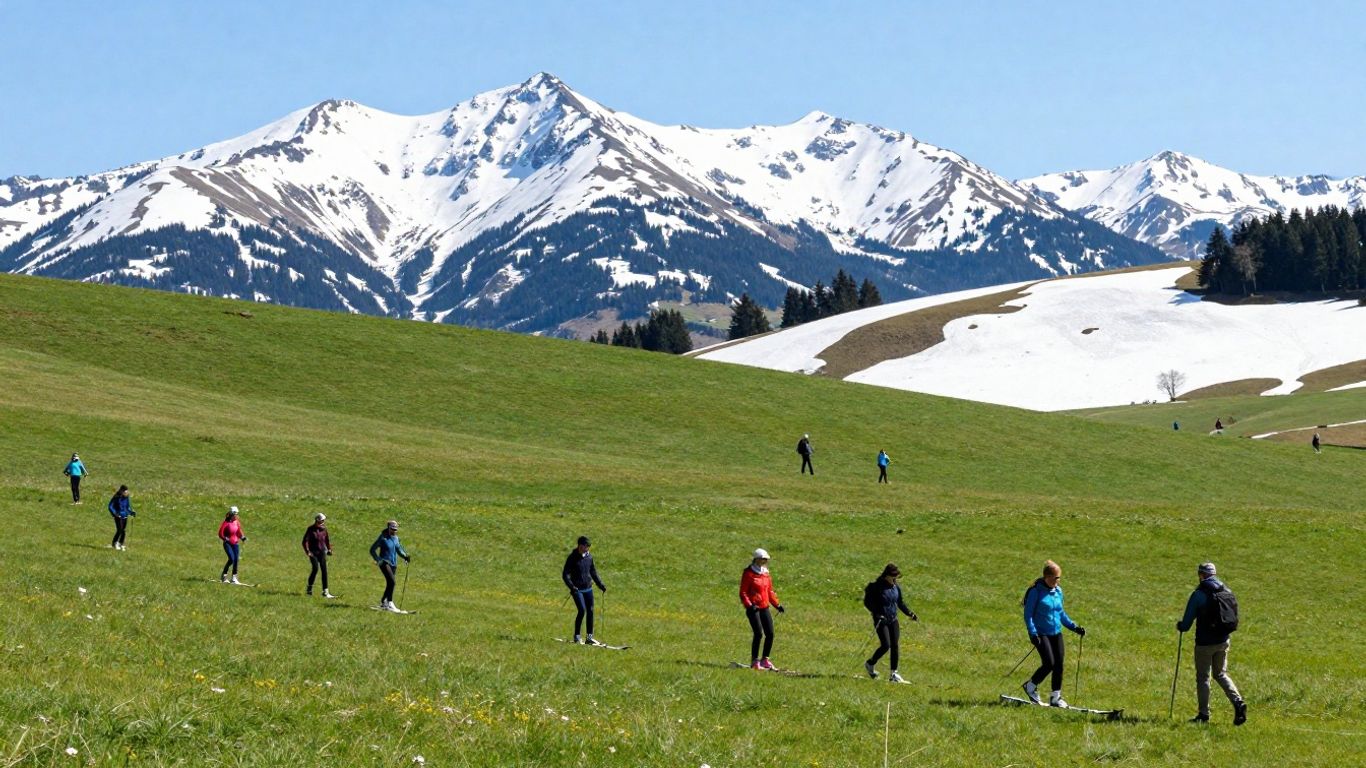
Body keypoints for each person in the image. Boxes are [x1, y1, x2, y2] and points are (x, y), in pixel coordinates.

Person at [1176, 562, 1247, 725]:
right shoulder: (1226, 591)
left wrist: (1180, 626)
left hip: (1204, 644)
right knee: (1221, 674)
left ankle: (1203, 714)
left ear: (1201, 575)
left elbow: (1186, 624)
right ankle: (1238, 702)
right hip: (1223, 640)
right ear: (1214, 574)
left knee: (1203, 677)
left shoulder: (1198, 594)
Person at [1021, 560, 1085, 708]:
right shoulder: (1035, 591)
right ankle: (1030, 687)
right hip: (1041, 633)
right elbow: (1028, 614)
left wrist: (1074, 627)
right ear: (1047, 577)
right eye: (1055, 578)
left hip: (1056, 633)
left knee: (1059, 665)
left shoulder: (1058, 591)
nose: (1058, 581)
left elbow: (1061, 613)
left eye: (1059, 578)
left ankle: (1055, 697)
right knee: (1049, 663)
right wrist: (1033, 633)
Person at [862, 563, 917, 682]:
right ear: (887, 576)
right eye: (894, 577)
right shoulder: (876, 587)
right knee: (886, 645)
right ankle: (870, 664)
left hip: (893, 619)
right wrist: (876, 613)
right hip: (881, 620)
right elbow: (868, 603)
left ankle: (894, 674)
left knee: (895, 645)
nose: (895, 580)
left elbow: (900, 603)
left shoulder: (896, 587)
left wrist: (910, 613)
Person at [740, 548, 784, 670]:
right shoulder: (748, 573)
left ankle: (765, 659)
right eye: (762, 559)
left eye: (766, 559)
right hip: (753, 609)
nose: (764, 561)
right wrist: (749, 604)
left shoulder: (766, 573)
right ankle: (755, 661)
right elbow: (743, 592)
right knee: (758, 633)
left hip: (764, 607)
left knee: (770, 633)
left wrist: (777, 605)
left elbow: (769, 591)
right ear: (756, 559)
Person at [561, 535, 607, 644]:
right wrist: (572, 586)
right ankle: (577, 636)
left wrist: (600, 584)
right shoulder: (572, 557)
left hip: (588, 588)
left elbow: (593, 572)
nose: (586, 549)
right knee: (582, 610)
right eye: (585, 547)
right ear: (579, 546)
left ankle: (589, 638)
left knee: (590, 611)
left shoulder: (589, 557)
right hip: (577, 590)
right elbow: (565, 574)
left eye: (588, 547)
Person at [369, 520, 410, 612]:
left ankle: (384, 602)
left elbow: (399, 549)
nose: (394, 531)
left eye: (395, 529)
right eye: (392, 529)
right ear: (388, 528)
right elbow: (372, 550)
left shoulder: (396, 538)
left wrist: (405, 556)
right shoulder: (383, 537)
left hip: (393, 564)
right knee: (392, 582)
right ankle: (390, 603)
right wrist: (378, 560)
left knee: (390, 583)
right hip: (384, 562)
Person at [302, 513, 334, 598]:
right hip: (313, 552)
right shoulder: (310, 529)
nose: (323, 522)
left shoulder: (324, 529)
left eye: (323, 521)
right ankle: (309, 589)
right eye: (321, 521)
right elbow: (304, 541)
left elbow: (327, 540)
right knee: (315, 569)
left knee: (324, 570)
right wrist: (307, 551)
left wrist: (329, 549)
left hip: (322, 552)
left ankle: (325, 592)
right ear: (317, 520)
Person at [218, 507, 247, 583]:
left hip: (235, 544)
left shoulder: (236, 522)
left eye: (237, 514)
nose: (236, 516)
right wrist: (226, 539)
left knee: (236, 560)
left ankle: (234, 578)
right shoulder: (226, 523)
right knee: (231, 559)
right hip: (227, 544)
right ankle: (224, 576)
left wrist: (242, 537)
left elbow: (238, 531)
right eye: (235, 514)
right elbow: (220, 534)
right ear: (231, 514)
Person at [107, 485, 134, 550]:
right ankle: (114, 543)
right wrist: (115, 513)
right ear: (121, 491)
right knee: (119, 530)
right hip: (118, 516)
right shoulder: (116, 497)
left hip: (125, 515)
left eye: (127, 491)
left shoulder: (126, 497)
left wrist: (131, 512)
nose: (126, 493)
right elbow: (110, 506)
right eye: (125, 491)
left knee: (123, 531)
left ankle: (121, 543)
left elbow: (127, 506)